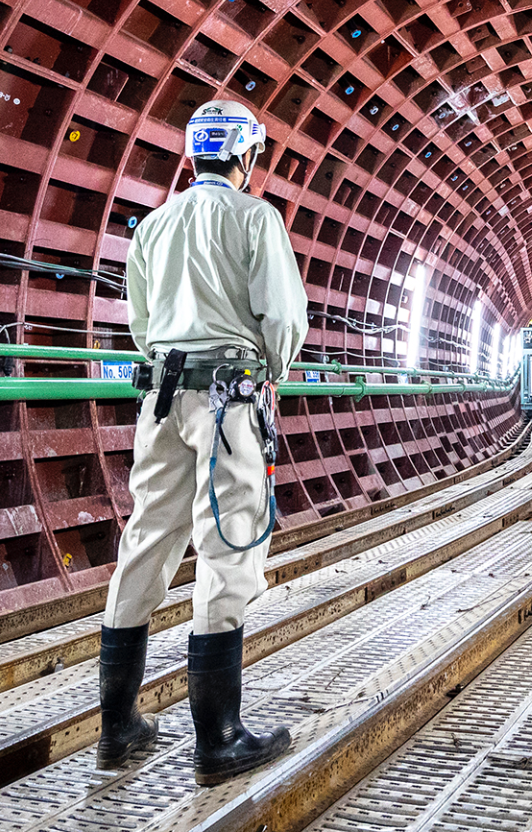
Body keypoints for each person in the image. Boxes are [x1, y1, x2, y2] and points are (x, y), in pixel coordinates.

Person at [95, 99, 306, 783]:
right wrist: (270, 370)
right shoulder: (256, 219)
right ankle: (217, 739)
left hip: (160, 398)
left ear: (193, 157)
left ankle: (118, 729)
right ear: (247, 159)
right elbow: (281, 319)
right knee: (227, 547)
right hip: (228, 399)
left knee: (147, 540)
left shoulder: (153, 226)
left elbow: (140, 320)